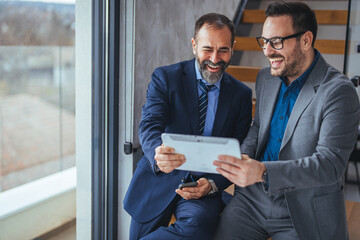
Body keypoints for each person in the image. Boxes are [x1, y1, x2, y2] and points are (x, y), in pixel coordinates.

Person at [213, 2, 360, 240]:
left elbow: (330, 165)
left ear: (305, 40)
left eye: (277, 42)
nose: (268, 51)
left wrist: (262, 172)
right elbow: (259, 127)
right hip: (253, 199)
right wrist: (244, 157)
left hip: (303, 206)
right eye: (265, 41)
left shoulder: (339, 92)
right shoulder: (266, 78)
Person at [123, 13, 252, 240]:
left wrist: (213, 184)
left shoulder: (241, 95)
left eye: (223, 50)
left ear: (233, 47)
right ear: (194, 45)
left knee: (198, 228)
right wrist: (157, 154)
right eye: (207, 49)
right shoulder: (165, 77)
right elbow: (150, 124)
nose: (215, 58)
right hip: (158, 177)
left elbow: (239, 152)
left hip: (202, 187)